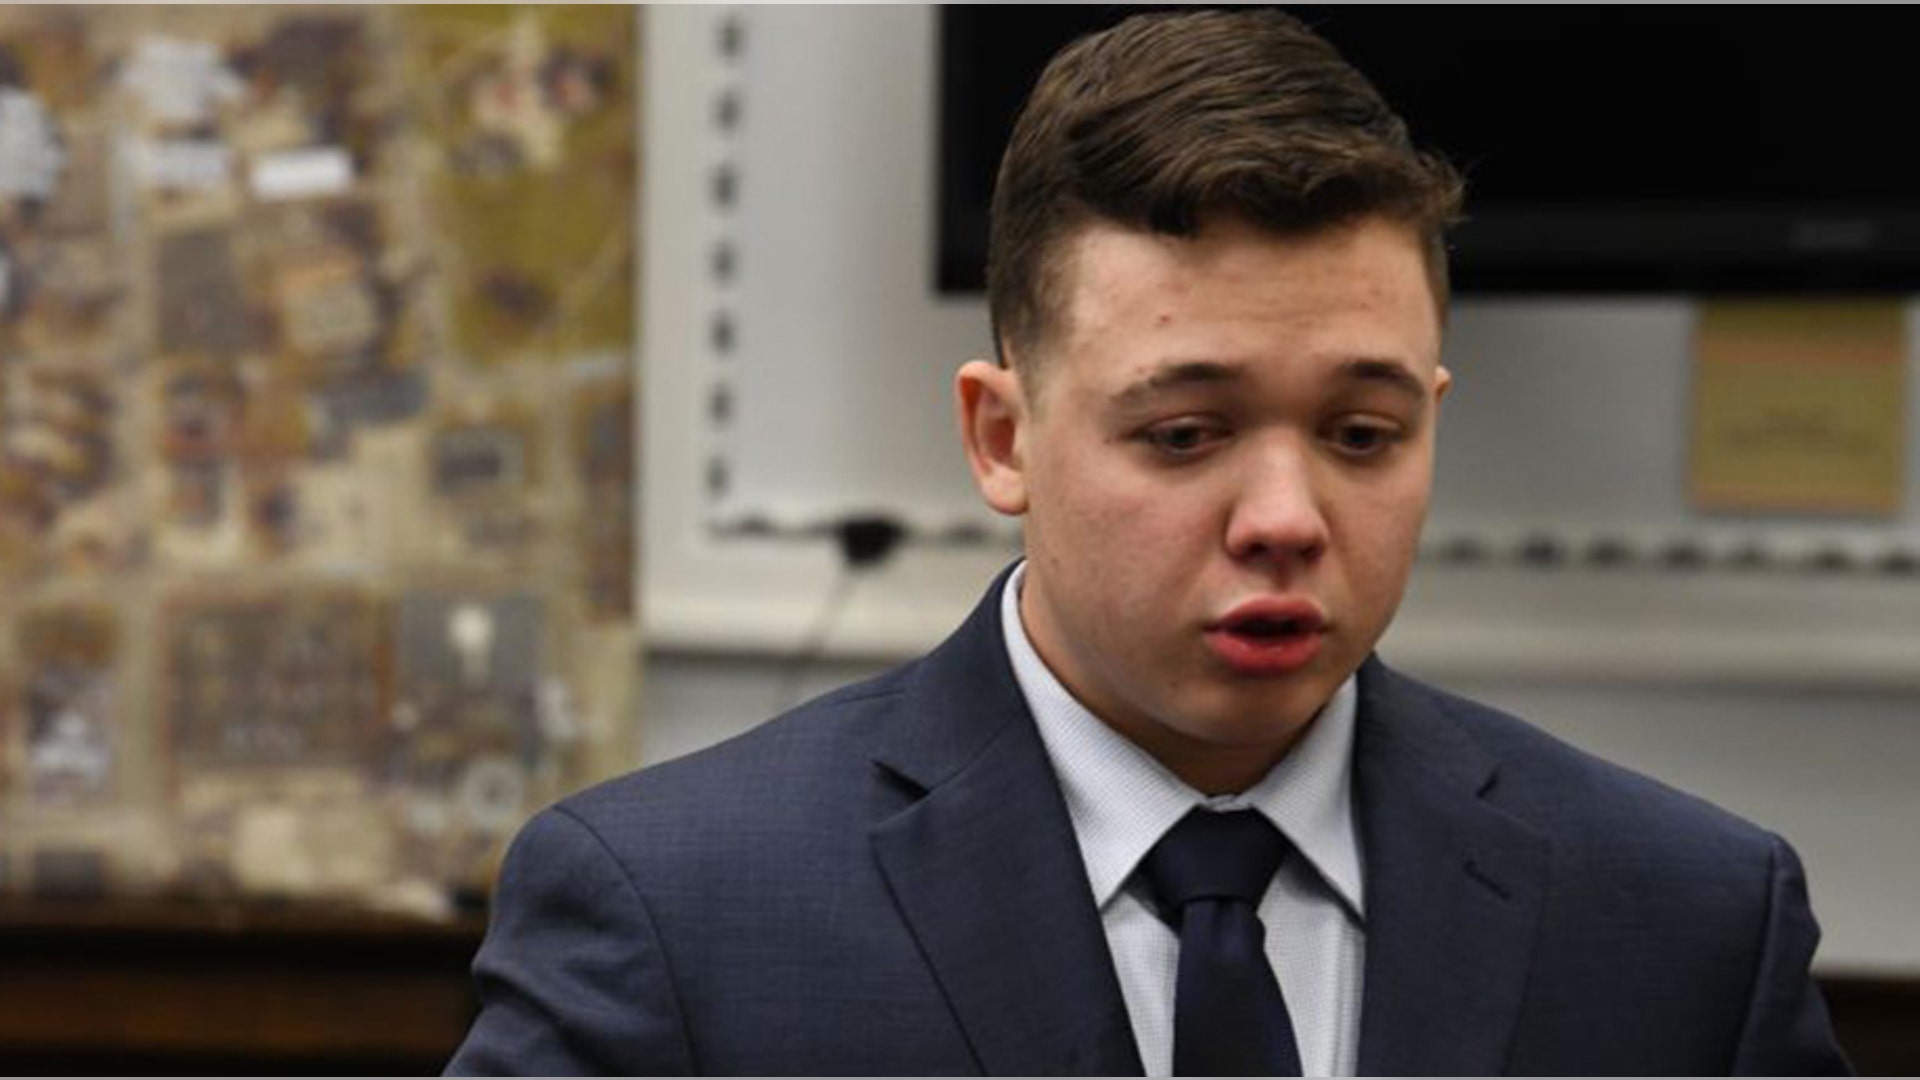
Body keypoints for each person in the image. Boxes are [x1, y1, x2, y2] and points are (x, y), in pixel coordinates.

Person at [447, 9, 1851, 1075]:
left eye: (1362, 437)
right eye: (1184, 436)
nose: (1287, 520)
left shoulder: (1688, 926)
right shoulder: (678, 915)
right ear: (1002, 437)